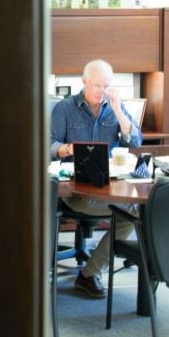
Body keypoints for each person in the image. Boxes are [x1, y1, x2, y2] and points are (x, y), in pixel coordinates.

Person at [50, 59, 143, 298]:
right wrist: (68, 149)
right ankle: (91, 274)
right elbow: (49, 145)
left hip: (110, 186)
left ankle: (89, 272)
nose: (102, 91)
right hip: (76, 190)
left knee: (136, 211)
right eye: (97, 86)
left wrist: (119, 111)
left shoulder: (114, 107)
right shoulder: (64, 109)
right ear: (84, 82)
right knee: (132, 210)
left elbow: (135, 142)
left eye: (106, 86)